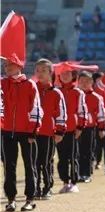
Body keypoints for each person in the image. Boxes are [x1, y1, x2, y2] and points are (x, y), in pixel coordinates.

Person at [1, 59, 43, 212]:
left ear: (19, 66)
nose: (7, 68)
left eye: (10, 65)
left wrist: (33, 130)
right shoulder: (2, 84)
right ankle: (11, 199)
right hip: (7, 132)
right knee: (9, 167)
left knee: (29, 165)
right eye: (5, 66)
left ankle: (30, 199)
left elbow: (36, 108)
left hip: (27, 132)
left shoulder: (30, 84)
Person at [33, 59, 67, 200]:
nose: (40, 73)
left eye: (44, 70)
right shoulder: (31, 89)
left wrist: (60, 131)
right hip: (31, 132)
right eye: (38, 70)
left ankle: (47, 188)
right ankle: (35, 188)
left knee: (46, 162)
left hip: (48, 132)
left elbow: (61, 113)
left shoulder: (56, 93)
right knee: (33, 162)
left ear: (50, 73)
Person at [56, 69, 86, 194]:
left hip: (73, 129)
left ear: (73, 76)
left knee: (73, 156)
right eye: (63, 74)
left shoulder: (78, 92)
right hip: (59, 129)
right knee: (62, 157)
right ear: (59, 76)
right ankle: (65, 181)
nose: (65, 76)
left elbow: (82, 110)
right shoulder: (57, 91)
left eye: (68, 74)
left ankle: (73, 182)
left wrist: (80, 127)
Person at [76, 72, 105, 183]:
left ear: (92, 83)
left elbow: (101, 114)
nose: (84, 84)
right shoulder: (75, 94)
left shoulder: (96, 98)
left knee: (87, 151)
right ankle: (77, 173)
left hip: (89, 128)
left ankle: (86, 174)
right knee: (76, 152)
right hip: (77, 128)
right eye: (82, 81)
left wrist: (102, 128)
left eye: (87, 81)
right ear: (78, 82)